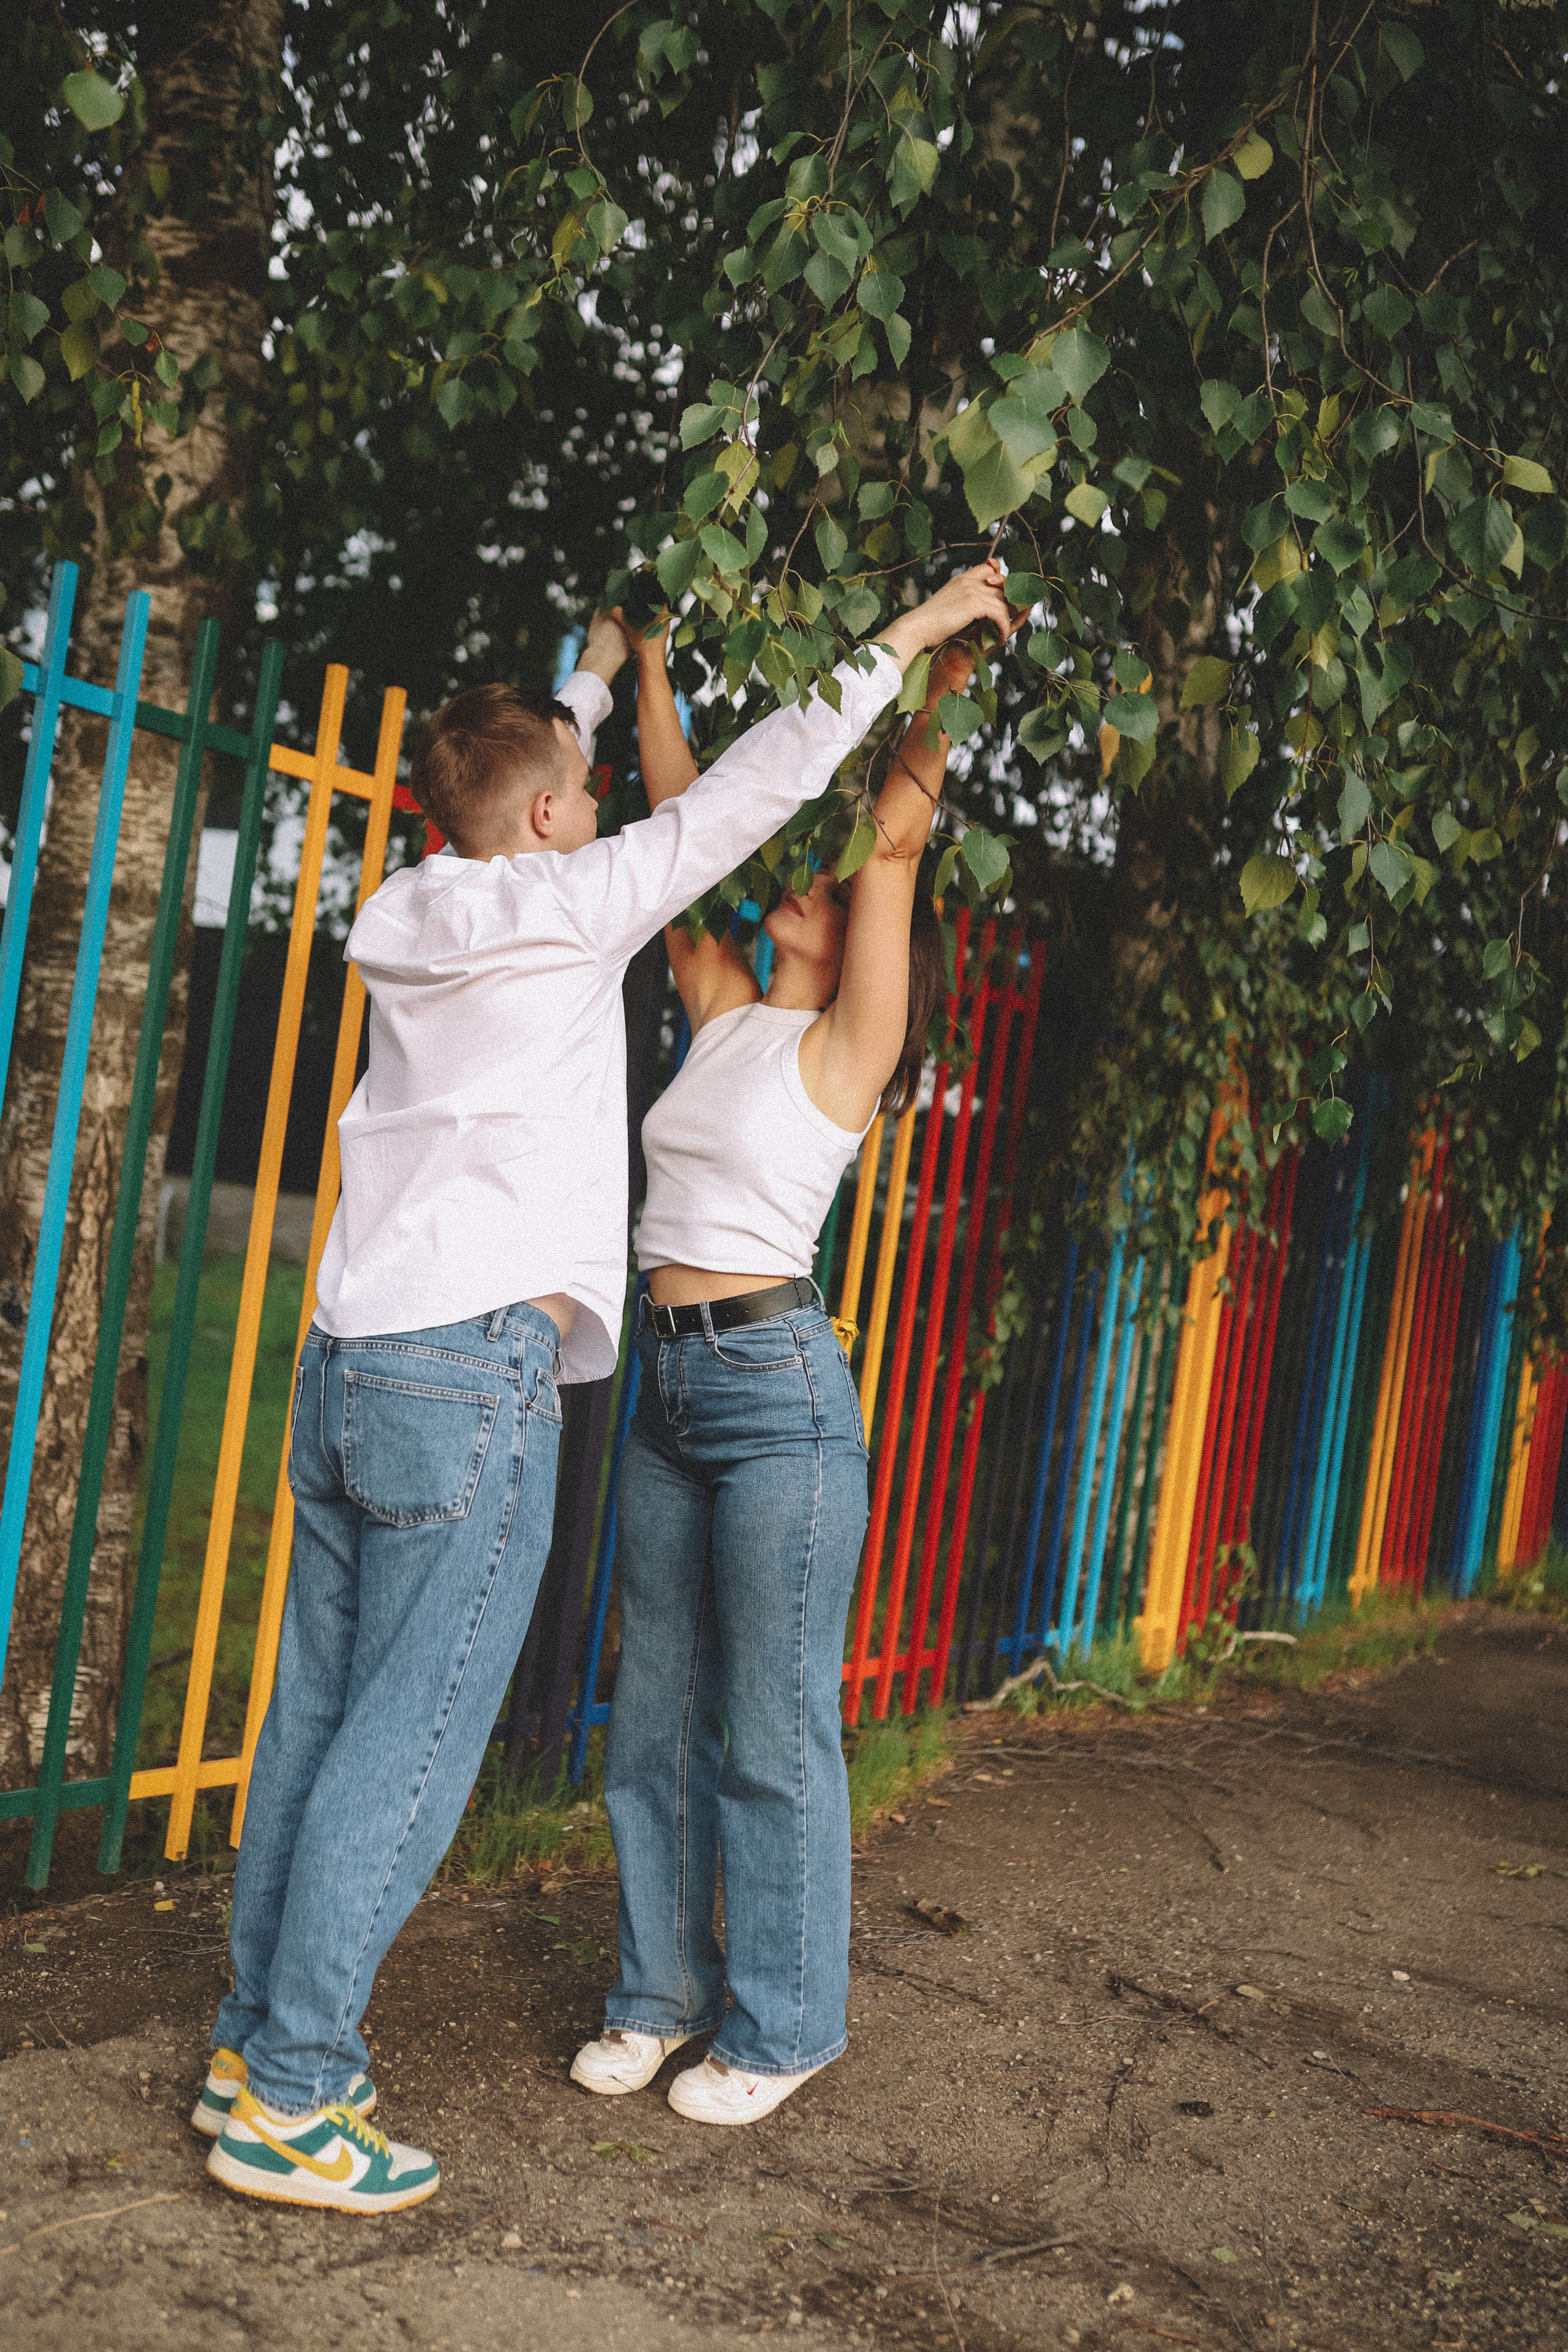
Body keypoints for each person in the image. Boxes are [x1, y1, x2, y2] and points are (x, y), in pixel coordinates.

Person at [197, 565, 1009, 2214]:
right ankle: (295, 2092)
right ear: (559, 821)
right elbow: (758, 778)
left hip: (356, 1356)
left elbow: (565, 780)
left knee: (316, 1716)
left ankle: (254, 2051)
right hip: (475, 1369)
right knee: (412, 1737)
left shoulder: (419, 909)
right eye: (577, 801)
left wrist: (601, 667)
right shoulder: (576, 905)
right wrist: (917, 635)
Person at [571, 557, 1014, 2127]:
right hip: (668, 1388)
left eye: (821, 888)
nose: (803, 883)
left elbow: (889, 840)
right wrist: (651, 673)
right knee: (651, 1716)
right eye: (804, 879)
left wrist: (940, 681)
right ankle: (654, 1993)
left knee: (768, 1729)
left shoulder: (846, 1047)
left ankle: (787, 2019)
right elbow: (697, 819)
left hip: (774, 1401)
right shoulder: (716, 1001)